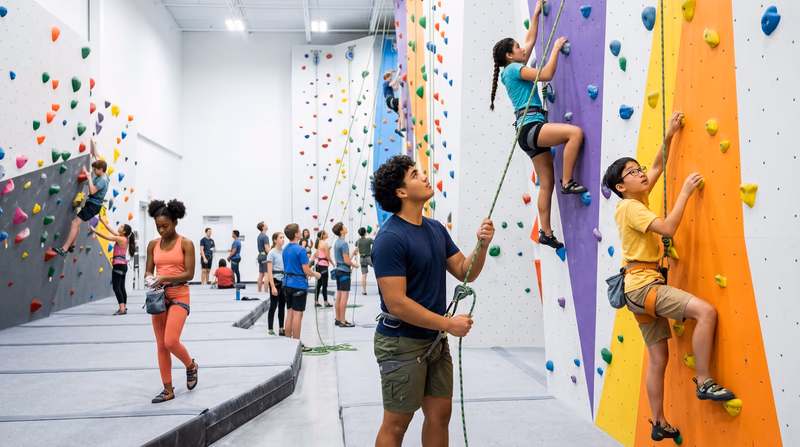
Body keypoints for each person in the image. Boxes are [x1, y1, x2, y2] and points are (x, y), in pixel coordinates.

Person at [602, 111, 735, 442]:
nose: (641, 173)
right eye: (633, 172)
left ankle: (659, 422)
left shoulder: (634, 201)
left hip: (636, 290)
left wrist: (670, 134)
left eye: (639, 168)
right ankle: (704, 381)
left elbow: (658, 166)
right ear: (621, 186)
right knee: (706, 312)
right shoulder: (631, 207)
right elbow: (668, 228)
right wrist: (685, 193)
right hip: (644, 286)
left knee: (659, 359)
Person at [370, 155, 494, 446]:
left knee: (440, 416)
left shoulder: (436, 228)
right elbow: (396, 303)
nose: (424, 176)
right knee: (397, 424)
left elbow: (464, 271)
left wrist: (482, 245)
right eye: (414, 174)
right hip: (401, 341)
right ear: (401, 192)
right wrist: (448, 324)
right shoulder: (390, 238)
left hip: (435, 339)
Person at [490, 0, 586, 250]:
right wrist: (555, 49)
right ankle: (568, 181)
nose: (523, 49)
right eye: (517, 47)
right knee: (574, 133)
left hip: (526, 133)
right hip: (531, 126)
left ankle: (546, 232)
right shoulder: (514, 69)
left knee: (546, 184)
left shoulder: (509, 70)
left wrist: (535, 14)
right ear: (509, 55)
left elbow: (530, 40)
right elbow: (546, 75)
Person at [144, 199, 198, 404]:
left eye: (165, 226)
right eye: (158, 226)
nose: (161, 230)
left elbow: (189, 274)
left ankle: (191, 366)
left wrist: (164, 278)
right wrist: (149, 278)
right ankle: (168, 390)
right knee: (161, 345)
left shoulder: (186, 243)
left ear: (175, 222)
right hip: (158, 296)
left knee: (170, 341)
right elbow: (149, 270)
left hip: (179, 295)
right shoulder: (153, 245)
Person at [55, 140, 109, 256]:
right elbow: (98, 156)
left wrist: (89, 177)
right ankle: (72, 246)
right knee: (77, 223)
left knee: (74, 223)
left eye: (95, 170)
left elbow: (92, 191)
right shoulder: (105, 174)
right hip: (93, 205)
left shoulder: (102, 181)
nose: (94, 171)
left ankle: (64, 249)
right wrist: (93, 144)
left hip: (93, 205)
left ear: (101, 170)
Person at [282, 223, 322, 352]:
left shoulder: (285, 249)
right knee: (297, 315)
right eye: (299, 231)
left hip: (286, 283)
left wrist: (312, 259)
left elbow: (297, 265)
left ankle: (288, 342)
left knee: (289, 313)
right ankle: (296, 344)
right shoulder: (301, 250)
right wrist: (315, 274)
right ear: (296, 234)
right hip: (298, 285)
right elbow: (305, 270)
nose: (301, 232)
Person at [89, 218, 135, 315]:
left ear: (124, 231)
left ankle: (121, 309)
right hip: (123, 265)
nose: (119, 227)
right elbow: (112, 231)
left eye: (121, 227)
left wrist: (95, 231)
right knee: (121, 287)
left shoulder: (120, 239)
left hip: (118, 265)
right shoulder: (124, 238)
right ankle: (124, 307)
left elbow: (106, 237)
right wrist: (102, 221)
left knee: (116, 288)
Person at [332, 222, 360, 328]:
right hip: (344, 272)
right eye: (344, 227)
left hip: (338, 271)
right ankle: (343, 321)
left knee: (339, 295)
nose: (346, 227)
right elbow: (347, 261)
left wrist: (353, 254)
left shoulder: (337, 242)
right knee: (344, 296)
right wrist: (355, 265)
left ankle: (338, 319)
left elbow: (344, 259)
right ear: (341, 231)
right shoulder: (344, 244)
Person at [267, 232, 286, 336]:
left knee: (282, 306)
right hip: (275, 281)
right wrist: (273, 286)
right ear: (275, 240)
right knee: (273, 306)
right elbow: (269, 271)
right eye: (280, 238)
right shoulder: (272, 253)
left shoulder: (284, 252)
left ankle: (281, 328)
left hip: (283, 281)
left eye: (283, 237)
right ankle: (270, 329)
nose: (283, 239)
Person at [310, 230, 333, 308]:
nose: (327, 233)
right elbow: (328, 257)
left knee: (319, 284)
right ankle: (326, 302)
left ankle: (316, 301)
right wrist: (333, 263)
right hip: (324, 265)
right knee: (324, 285)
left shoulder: (319, 243)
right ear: (323, 235)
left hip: (319, 265)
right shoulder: (325, 244)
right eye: (326, 233)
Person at [383, 71, 406, 137]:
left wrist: (398, 82)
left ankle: (398, 129)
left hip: (391, 103)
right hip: (389, 100)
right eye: (390, 77)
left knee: (401, 111)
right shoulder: (385, 83)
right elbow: (393, 83)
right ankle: (402, 126)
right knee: (400, 99)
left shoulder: (388, 87)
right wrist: (397, 74)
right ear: (387, 77)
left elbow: (396, 89)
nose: (391, 78)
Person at [356, 227, 374, 296]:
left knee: (364, 275)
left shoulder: (358, 241)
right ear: (365, 233)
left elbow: (356, 248)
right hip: (369, 258)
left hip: (362, 258)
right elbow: (375, 242)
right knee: (377, 271)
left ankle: (364, 291)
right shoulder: (369, 240)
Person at [256, 222, 271, 292]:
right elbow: (267, 249)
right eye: (265, 225)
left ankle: (259, 291)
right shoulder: (265, 237)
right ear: (263, 227)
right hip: (265, 256)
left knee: (261, 275)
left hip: (260, 256)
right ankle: (266, 291)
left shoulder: (259, 236)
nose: (267, 225)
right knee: (266, 274)